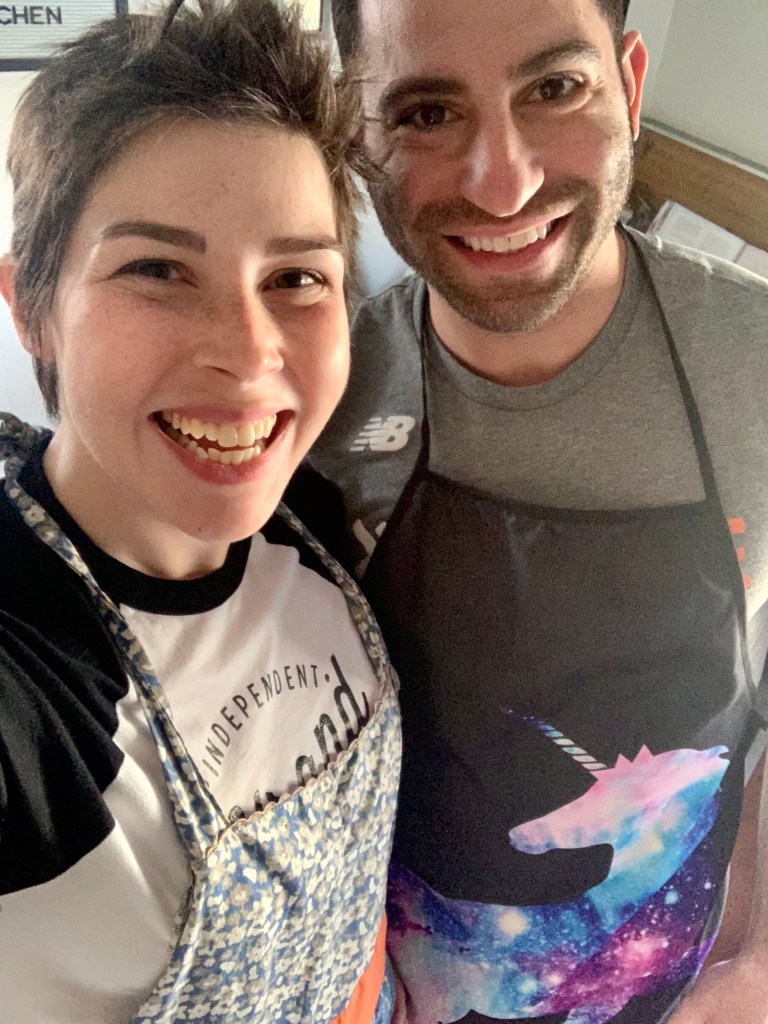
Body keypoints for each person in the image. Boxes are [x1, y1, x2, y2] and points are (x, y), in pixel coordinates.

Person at [308, 0, 768, 1021]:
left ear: (630, 88)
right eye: (427, 113)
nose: (503, 183)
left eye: (555, 88)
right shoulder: (316, 398)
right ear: (356, 133)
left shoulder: (757, 364)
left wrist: (760, 961)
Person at [0, 1, 402, 1021]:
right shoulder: (31, 687)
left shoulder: (315, 522)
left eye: (297, 276)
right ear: (32, 306)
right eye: (157, 268)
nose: (250, 350)